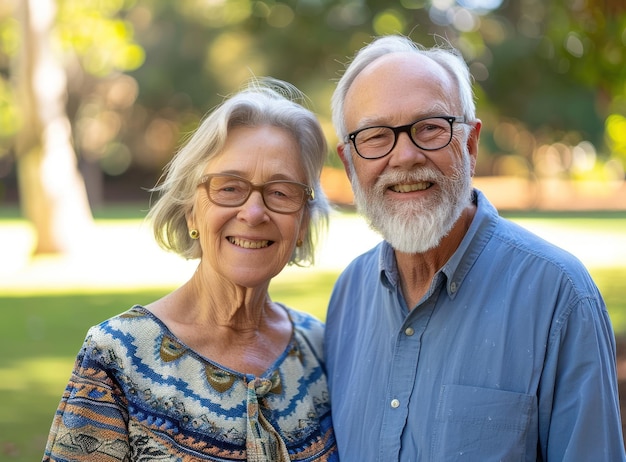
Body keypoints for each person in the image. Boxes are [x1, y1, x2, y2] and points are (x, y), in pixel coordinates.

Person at [324, 34, 625, 461]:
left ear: (470, 143)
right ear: (350, 162)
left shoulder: (559, 296)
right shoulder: (347, 295)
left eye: (430, 127)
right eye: (376, 135)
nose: (405, 156)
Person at [43, 78, 338, 461]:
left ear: (302, 224)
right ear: (191, 211)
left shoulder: (320, 350)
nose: (253, 212)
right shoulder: (118, 356)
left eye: (281, 193)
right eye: (229, 188)